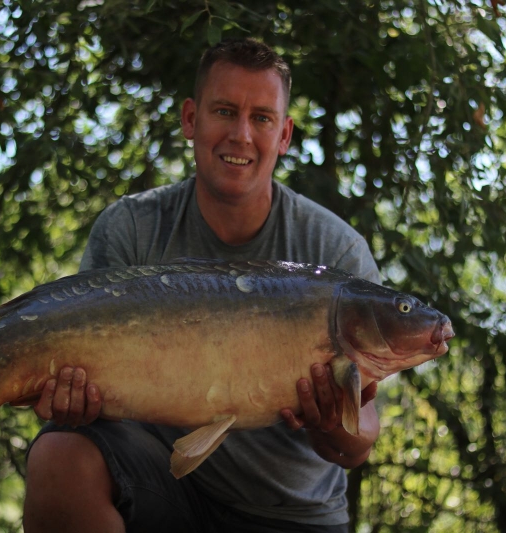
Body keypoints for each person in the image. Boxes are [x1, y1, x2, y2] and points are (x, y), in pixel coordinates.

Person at [23, 38, 381, 533]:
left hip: (292, 514)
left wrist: (331, 424)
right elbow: (79, 391)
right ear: (191, 119)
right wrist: (66, 400)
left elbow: (358, 446)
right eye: (225, 111)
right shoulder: (132, 228)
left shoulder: (335, 255)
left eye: (261, 118)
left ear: (284, 135)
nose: (241, 134)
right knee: (59, 452)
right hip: (159, 486)